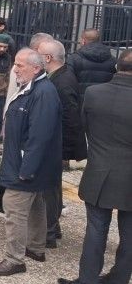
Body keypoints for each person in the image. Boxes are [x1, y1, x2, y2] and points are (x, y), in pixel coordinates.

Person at [58, 50, 132, 284]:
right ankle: (119, 279)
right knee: (129, 235)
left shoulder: (93, 93)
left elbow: (85, 126)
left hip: (99, 170)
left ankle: (87, 279)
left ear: (117, 66)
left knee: (96, 230)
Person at [0, 49, 62, 277]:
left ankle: (14, 259)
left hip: (24, 165)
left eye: (20, 65)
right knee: (37, 202)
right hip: (23, 162)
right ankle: (36, 247)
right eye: (15, 64)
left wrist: (26, 169)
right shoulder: (33, 87)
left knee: (14, 207)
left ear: (36, 68)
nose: (15, 69)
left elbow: (40, 136)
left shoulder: (44, 93)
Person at [38, 39, 86, 249]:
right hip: (56, 144)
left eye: (39, 54)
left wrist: (64, 151)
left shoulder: (62, 82)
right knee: (52, 187)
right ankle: (53, 228)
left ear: (48, 58)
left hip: (56, 145)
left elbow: (69, 118)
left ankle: (48, 232)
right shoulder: (59, 76)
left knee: (48, 189)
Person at [68, 28, 117, 93]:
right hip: (104, 96)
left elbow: (68, 80)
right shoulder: (112, 60)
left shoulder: (74, 58)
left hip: (81, 97)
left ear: (83, 41)